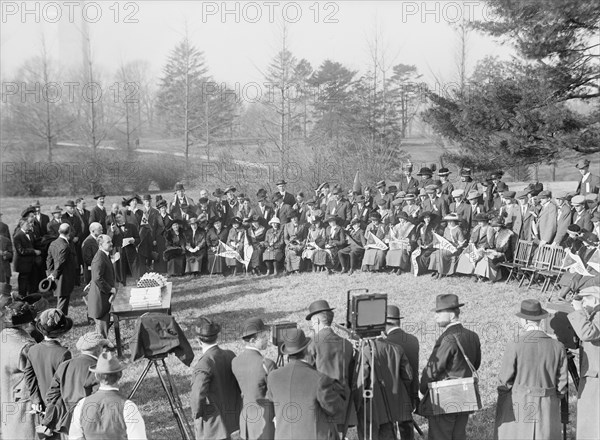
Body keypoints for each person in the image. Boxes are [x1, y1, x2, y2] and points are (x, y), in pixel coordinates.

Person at [495, 299, 568, 440]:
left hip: (520, 404)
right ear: (540, 320)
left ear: (525, 321)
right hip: (547, 405)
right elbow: (562, 383)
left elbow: (505, 380)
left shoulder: (515, 344)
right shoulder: (558, 346)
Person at [266, 328, 346, 440]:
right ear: (307, 349)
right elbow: (335, 410)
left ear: (287, 353)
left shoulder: (273, 377)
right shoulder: (319, 379)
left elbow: (269, 404)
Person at [420, 294, 481, 440]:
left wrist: (421, 391)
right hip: (465, 395)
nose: (435, 316)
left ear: (452, 315)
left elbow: (433, 370)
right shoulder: (473, 335)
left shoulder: (447, 338)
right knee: (458, 435)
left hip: (446, 397)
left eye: (439, 312)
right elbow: (476, 364)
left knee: (440, 436)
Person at [40, 332, 113, 437]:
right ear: (98, 348)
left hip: (67, 423)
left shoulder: (65, 365)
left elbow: (52, 395)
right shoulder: (99, 369)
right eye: (103, 346)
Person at [69, 351, 147, 439]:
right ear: (120, 375)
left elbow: (75, 437)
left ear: (96, 376)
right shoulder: (128, 407)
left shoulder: (82, 404)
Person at [306, 300, 354, 433]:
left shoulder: (312, 344)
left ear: (316, 321)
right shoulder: (347, 344)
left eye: (311, 322)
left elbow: (306, 373)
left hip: (321, 403)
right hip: (343, 402)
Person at [190, 318, 241, 440]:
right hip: (235, 422)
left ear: (198, 341)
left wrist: (197, 415)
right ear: (217, 336)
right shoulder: (230, 355)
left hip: (215, 429)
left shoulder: (204, 364)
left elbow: (197, 397)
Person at [231, 318, 276, 440]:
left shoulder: (235, 362)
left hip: (246, 419)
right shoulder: (267, 364)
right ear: (252, 340)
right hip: (265, 420)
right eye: (264, 336)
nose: (268, 339)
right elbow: (277, 394)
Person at [24, 308, 73, 420]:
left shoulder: (32, 350)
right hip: (58, 405)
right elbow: (66, 383)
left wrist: (35, 399)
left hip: (40, 403)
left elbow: (29, 376)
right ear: (62, 332)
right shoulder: (64, 354)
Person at [0, 301, 37, 440]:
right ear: (27, 322)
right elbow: (35, 374)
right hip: (22, 400)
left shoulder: (4, 335)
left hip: (6, 392)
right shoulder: (26, 346)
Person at [568, 286, 600, 440]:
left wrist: (579, 310)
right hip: (593, 372)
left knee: (593, 420)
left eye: (585, 299)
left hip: (596, 375)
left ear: (595, 299)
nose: (583, 302)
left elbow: (588, 333)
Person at [385, 305, 419, 440]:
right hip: (410, 392)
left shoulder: (385, 343)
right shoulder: (413, 340)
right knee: (407, 430)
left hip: (392, 395)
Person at [46, 223, 78, 315]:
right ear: (69, 232)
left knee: (62, 299)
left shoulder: (53, 243)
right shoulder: (65, 246)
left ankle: (61, 319)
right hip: (63, 277)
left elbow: (48, 260)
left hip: (56, 276)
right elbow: (61, 263)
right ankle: (59, 321)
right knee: (62, 301)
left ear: (59, 231)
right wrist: (54, 274)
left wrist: (50, 274)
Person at [88, 234, 116, 338]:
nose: (111, 244)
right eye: (108, 242)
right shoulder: (99, 257)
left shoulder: (105, 255)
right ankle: (102, 349)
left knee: (103, 326)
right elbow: (97, 278)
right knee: (102, 327)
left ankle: (102, 346)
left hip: (103, 296)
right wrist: (110, 289)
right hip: (100, 297)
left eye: (111, 241)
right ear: (100, 244)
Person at [428, 213, 466, 279]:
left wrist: (457, 246)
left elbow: (461, 242)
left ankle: (441, 273)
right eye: (448, 221)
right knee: (434, 253)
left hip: (455, 249)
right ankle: (436, 271)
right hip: (446, 247)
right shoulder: (446, 229)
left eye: (451, 221)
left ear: (454, 222)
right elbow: (444, 239)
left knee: (440, 254)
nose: (449, 223)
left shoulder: (458, 229)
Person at [108, 213, 141, 286]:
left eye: (119, 217)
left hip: (131, 251)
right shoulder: (112, 228)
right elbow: (109, 241)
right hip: (119, 252)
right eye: (116, 218)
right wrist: (112, 232)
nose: (118, 219)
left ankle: (136, 282)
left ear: (124, 216)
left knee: (134, 268)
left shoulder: (132, 226)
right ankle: (122, 284)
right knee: (120, 270)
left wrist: (134, 241)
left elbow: (138, 238)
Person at [14, 217, 43, 296]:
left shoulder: (30, 233)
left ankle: (32, 298)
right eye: (27, 224)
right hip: (23, 264)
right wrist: (34, 251)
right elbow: (21, 251)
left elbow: (34, 243)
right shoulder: (17, 236)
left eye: (30, 223)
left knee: (33, 281)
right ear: (22, 225)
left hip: (32, 263)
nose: (30, 225)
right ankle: (22, 299)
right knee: (23, 283)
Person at [412, 212, 438, 276]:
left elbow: (436, 239)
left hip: (432, 246)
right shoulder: (422, 227)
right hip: (422, 246)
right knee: (415, 254)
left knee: (423, 256)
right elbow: (419, 238)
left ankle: (423, 271)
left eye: (428, 217)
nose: (427, 219)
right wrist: (420, 244)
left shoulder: (434, 227)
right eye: (425, 218)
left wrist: (428, 246)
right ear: (423, 219)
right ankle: (416, 271)